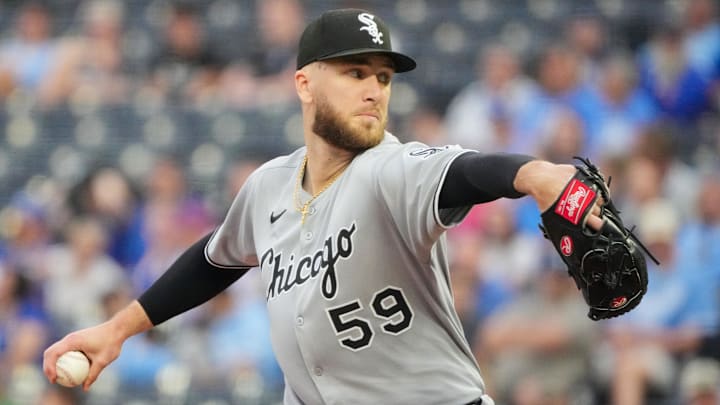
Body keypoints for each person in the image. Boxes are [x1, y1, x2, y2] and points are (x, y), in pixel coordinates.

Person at [43, 8, 603, 404]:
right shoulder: (269, 185)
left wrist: (531, 173)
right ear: (305, 84)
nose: (375, 90)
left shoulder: (389, 168)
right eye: (355, 73)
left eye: (383, 77)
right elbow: (214, 261)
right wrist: (117, 330)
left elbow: (462, 172)